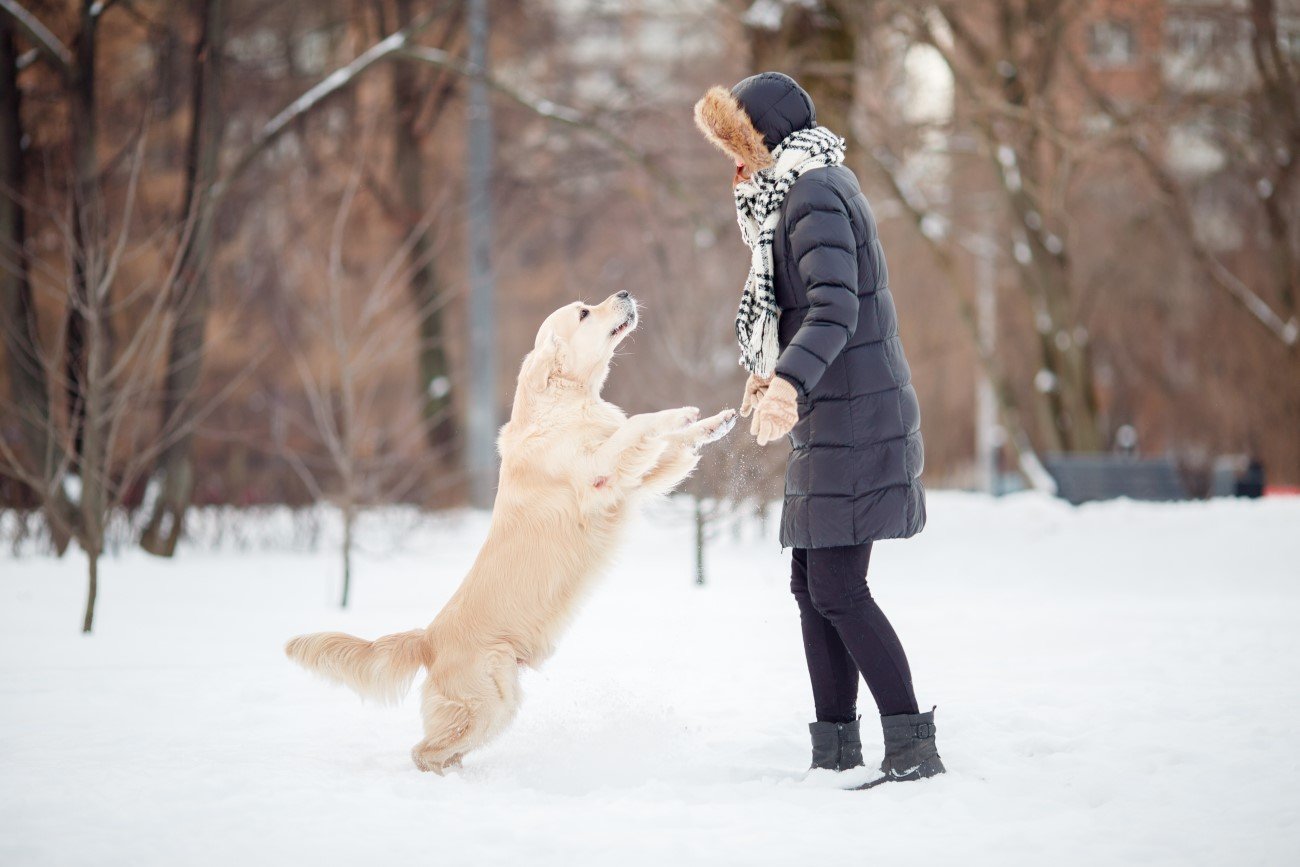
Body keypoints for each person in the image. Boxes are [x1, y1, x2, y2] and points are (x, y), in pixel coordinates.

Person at [693, 72, 944, 787]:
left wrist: (790, 382)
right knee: (812, 582)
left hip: (857, 415)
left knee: (837, 586)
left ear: (769, 141)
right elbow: (808, 311)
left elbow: (837, 308)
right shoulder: (800, 196)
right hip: (837, 415)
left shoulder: (815, 194)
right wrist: (770, 372)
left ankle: (913, 748)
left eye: (741, 147)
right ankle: (835, 752)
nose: (736, 167)